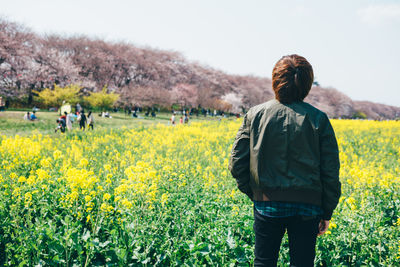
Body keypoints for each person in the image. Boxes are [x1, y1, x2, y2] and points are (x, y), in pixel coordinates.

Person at [229, 54, 341, 267]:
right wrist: (326, 210)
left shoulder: (255, 114)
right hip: (308, 207)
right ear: (307, 84)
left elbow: (237, 163)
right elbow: (330, 171)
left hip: (266, 204)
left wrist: (255, 193)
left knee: (263, 262)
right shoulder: (319, 119)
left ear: (275, 80)